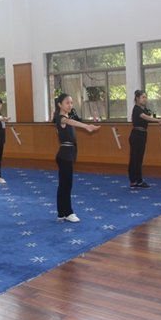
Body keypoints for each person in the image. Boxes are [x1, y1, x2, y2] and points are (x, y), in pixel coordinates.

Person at [54, 94, 100, 223]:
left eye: (71, 103)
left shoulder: (66, 117)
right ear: (60, 104)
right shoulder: (61, 118)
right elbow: (69, 122)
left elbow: (70, 121)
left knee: (64, 185)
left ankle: (62, 213)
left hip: (67, 155)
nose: (70, 105)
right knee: (66, 185)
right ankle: (68, 212)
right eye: (67, 102)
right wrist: (86, 126)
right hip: (64, 155)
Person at [128, 90, 161, 189]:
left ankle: (135, 180)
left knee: (137, 158)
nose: (145, 99)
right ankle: (137, 181)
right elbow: (145, 117)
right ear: (137, 98)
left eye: (145, 97)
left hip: (141, 134)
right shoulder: (137, 109)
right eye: (143, 97)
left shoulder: (141, 109)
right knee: (136, 159)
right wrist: (158, 120)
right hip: (137, 135)